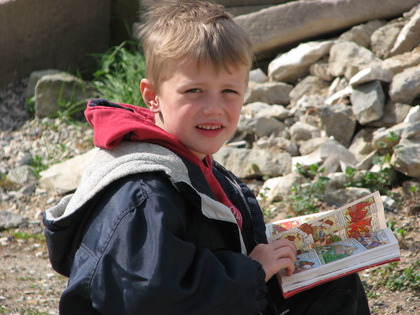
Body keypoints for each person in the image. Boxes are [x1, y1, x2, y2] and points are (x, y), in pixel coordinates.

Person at [43, 1, 370, 314]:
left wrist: (271, 254)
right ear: (152, 96)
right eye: (194, 91)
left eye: (229, 91)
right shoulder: (145, 192)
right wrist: (252, 271)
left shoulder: (187, 157)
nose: (213, 107)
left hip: (217, 297)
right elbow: (151, 297)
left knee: (335, 285)